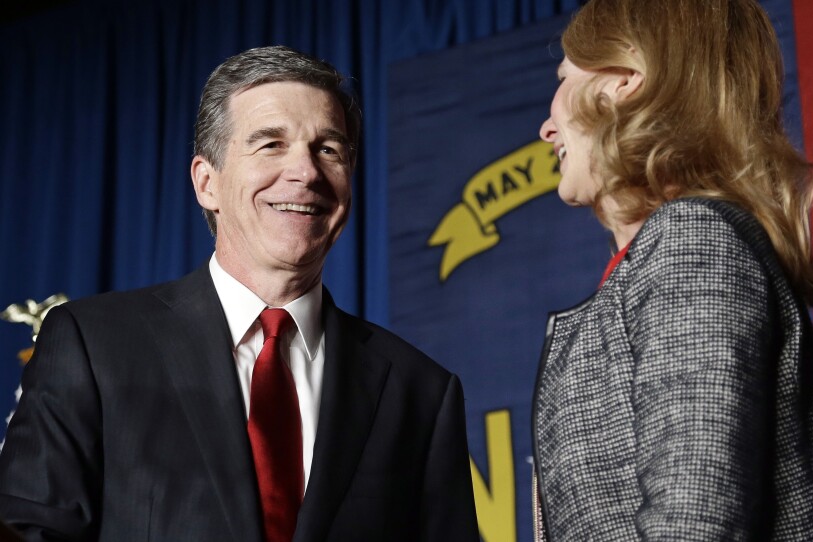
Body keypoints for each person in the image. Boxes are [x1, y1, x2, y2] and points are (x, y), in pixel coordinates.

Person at [0, 46, 479, 542]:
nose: (306, 172)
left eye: (329, 150)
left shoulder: (421, 392)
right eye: (271, 144)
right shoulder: (93, 345)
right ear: (207, 183)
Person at [532, 1, 813, 540]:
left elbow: (696, 519)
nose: (547, 128)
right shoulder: (662, 255)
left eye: (565, 78)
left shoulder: (692, 239)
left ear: (623, 81)